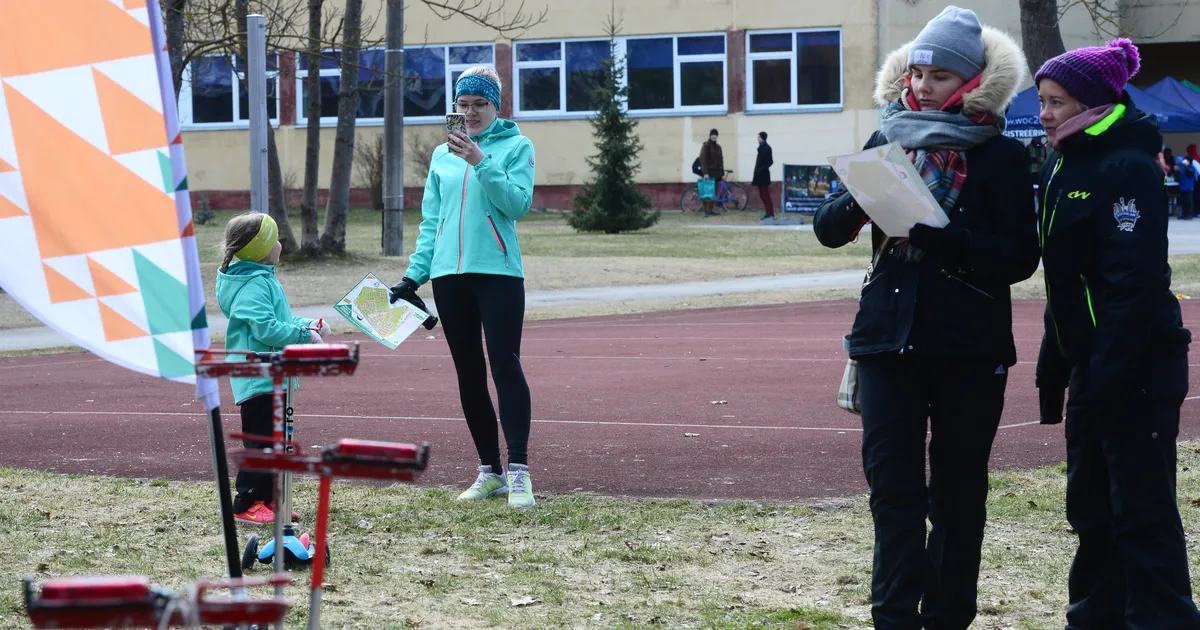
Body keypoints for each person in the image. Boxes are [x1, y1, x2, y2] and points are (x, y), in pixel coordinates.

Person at [813, 7, 1039, 628]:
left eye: (939, 76)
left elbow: (1020, 258)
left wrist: (941, 237)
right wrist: (859, 197)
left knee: (960, 495)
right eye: (917, 72)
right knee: (893, 494)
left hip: (969, 348)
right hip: (887, 342)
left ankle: (947, 616)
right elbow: (828, 232)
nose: (922, 85)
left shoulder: (1000, 157)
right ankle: (892, 615)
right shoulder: (885, 138)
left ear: (972, 82)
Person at [1034, 38, 1200, 628]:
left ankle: (1163, 618)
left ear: (1094, 102)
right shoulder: (1059, 161)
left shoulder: (1127, 164)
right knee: (1092, 506)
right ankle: (1096, 616)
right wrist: (1057, 358)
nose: (1046, 112)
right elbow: (1063, 274)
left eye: (1057, 101)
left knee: (1141, 507)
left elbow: (1131, 286)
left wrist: (1106, 375)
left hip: (1137, 364)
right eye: (1043, 100)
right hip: (1092, 362)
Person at [388, 66, 537, 508]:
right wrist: (416, 275)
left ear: (496, 106)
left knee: (505, 365)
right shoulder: (440, 155)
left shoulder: (516, 146)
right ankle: (489, 471)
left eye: (479, 104)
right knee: (469, 373)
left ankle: (520, 473)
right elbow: (431, 222)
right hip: (449, 279)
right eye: (463, 104)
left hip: (499, 275)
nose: (470, 113)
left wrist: (480, 160)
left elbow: (517, 204)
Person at [215, 213, 327, 525]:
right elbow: (266, 330)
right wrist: (303, 336)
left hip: (274, 375)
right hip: (258, 376)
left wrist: (308, 324)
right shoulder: (253, 286)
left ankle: (270, 499)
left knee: (277, 440)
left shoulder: (263, 278)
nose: (279, 244)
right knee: (262, 441)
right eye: (274, 238)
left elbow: (280, 320)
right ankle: (247, 501)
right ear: (263, 248)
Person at [698, 128, 724, 217]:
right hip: (709, 173)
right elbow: (703, 159)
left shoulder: (718, 147)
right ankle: (706, 211)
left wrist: (722, 172)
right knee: (707, 192)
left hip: (716, 173)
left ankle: (711, 210)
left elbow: (721, 160)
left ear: (717, 136)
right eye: (712, 134)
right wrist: (705, 172)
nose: (714, 136)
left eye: (715, 135)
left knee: (713, 193)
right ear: (710, 135)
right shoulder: (706, 146)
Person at [753, 131, 775, 221]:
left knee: (765, 195)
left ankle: (770, 213)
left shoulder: (766, 148)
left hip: (763, 175)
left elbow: (769, 161)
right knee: (762, 195)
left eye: (759, 137)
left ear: (762, 138)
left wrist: (761, 169)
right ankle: (768, 213)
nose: (757, 139)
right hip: (760, 175)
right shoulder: (761, 148)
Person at [1177, 155, 1197, 220]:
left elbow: (1190, 174)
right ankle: (1183, 214)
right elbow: (1179, 176)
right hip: (1182, 187)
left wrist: (1187, 166)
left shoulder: (1191, 167)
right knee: (1183, 202)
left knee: (1188, 201)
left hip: (1189, 188)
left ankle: (1189, 215)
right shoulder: (1182, 167)